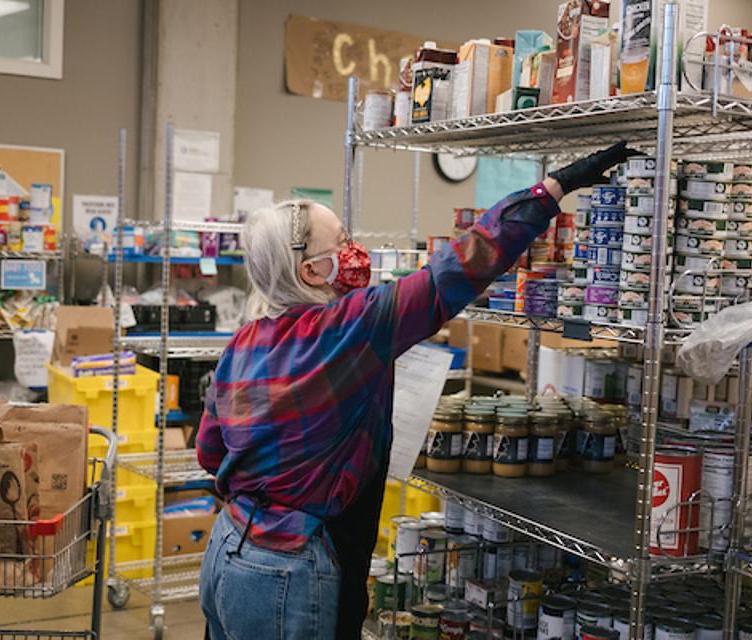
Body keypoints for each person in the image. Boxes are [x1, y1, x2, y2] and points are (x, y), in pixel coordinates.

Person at [196, 142, 636, 639]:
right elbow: (459, 268)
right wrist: (553, 189)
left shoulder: (244, 342)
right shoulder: (349, 329)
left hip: (227, 551)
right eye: (341, 242)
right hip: (288, 568)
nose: (354, 250)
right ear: (312, 271)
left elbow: (211, 452)